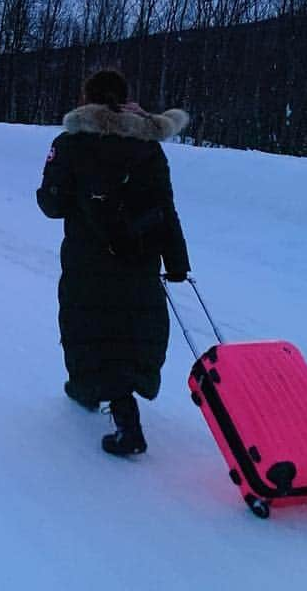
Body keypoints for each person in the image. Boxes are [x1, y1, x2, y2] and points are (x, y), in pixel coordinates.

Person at [36, 68, 191, 456]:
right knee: (131, 328)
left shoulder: (71, 142)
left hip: (89, 258)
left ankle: (93, 393)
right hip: (140, 256)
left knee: (87, 325)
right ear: (124, 98)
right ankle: (124, 403)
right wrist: (176, 261)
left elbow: (52, 204)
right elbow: (165, 207)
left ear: (87, 98)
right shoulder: (149, 147)